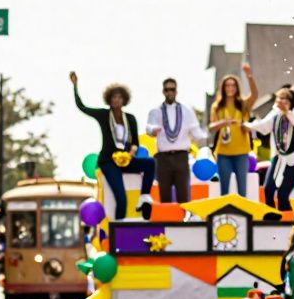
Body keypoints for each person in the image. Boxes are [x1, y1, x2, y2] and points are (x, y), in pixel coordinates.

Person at [70, 72, 157, 219]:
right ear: (109, 100)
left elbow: (135, 142)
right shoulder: (104, 115)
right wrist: (75, 86)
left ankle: (144, 196)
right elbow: (82, 107)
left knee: (150, 163)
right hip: (109, 162)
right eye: (113, 97)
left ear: (124, 99)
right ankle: (119, 230)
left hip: (126, 160)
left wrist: (132, 151)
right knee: (121, 198)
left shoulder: (130, 118)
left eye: (119, 97)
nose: (116, 100)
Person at [249, 86, 294, 211]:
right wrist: (246, 125)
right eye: (279, 99)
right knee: (268, 190)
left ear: (291, 102)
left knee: (283, 194)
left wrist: (288, 113)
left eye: (285, 100)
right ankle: (271, 219)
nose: (282, 103)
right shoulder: (275, 113)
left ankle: (287, 224)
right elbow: (264, 127)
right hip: (278, 158)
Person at [145, 77, 208, 204]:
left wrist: (209, 137)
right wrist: (153, 130)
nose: (170, 92)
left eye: (172, 89)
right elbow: (149, 127)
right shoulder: (156, 111)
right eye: (167, 90)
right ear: (163, 91)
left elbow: (197, 132)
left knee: (183, 193)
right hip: (163, 158)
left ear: (176, 91)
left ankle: (183, 222)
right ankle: (167, 221)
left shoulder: (186, 111)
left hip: (181, 157)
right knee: (165, 194)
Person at [208, 65, 259, 197]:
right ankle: (225, 217)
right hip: (223, 153)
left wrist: (249, 76)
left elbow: (255, 95)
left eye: (233, 85)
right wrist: (223, 123)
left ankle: (242, 217)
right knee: (224, 191)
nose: (230, 88)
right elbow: (211, 127)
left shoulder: (243, 104)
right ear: (223, 88)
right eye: (227, 85)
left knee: (242, 190)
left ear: (237, 88)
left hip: (241, 153)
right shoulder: (217, 106)